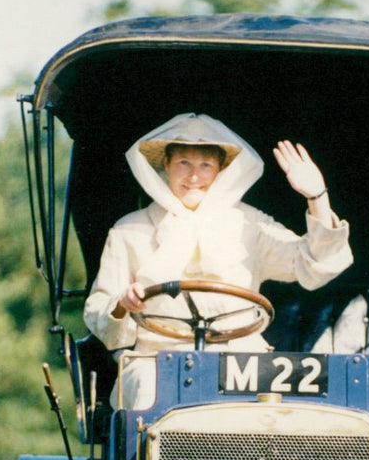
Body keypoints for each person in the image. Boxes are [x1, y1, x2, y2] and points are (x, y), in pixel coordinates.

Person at [84, 112, 352, 407]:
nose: (194, 176)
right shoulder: (129, 229)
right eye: (183, 162)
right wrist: (123, 303)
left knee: (276, 410)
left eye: (205, 165)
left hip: (242, 363)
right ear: (165, 166)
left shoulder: (250, 223)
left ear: (221, 170)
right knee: (148, 391)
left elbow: (314, 263)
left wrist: (317, 197)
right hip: (157, 360)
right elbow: (99, 310)